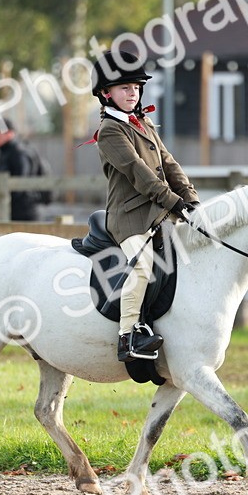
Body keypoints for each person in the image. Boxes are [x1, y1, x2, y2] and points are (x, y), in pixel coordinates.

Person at [92, 50, 199, 362]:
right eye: (125, 88)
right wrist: (175, 202)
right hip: (129, 218)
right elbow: (139, 174)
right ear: (105, 93)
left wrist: (191, 197)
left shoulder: (144, 124)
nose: (132, 92)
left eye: (136, 87)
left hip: (160, 212)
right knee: (142, 266)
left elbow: (169, 163)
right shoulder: (110, 131)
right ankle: (127, 337)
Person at [0, 120, 48, 221]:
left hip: (24, 215)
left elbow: (18, 186)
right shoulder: (7, 152)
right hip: (13, 212)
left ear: (9, 133)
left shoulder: (18, 153)